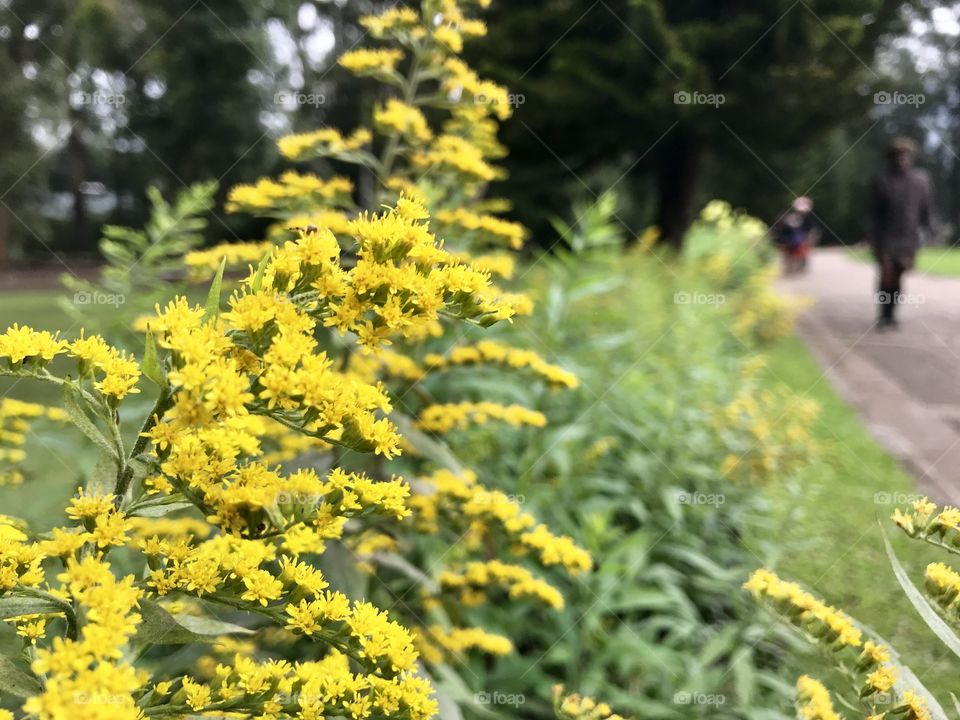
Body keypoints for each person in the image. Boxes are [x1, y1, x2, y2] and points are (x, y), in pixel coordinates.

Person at [868, 137, 934, 329]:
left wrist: (929, 231)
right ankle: (883, 314)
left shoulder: (921, 180)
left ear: (911, 157)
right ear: (891, 158)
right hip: (885, 237)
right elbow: (873, 212)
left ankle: (892, 314)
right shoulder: (882, 180)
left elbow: (926, 208)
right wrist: (870, 235)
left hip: (908, 238)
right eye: (898, 155)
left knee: (898, 275)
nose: (902, 159)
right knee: (886, 275)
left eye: (905, 155)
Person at [774, 196, 818, 274]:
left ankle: (799, 265)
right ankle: (792, 267)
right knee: (790, 252)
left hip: (800, 238)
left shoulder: (808, 218)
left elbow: (810, 229)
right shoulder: (792, 217)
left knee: (801, 251)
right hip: (791, 238)